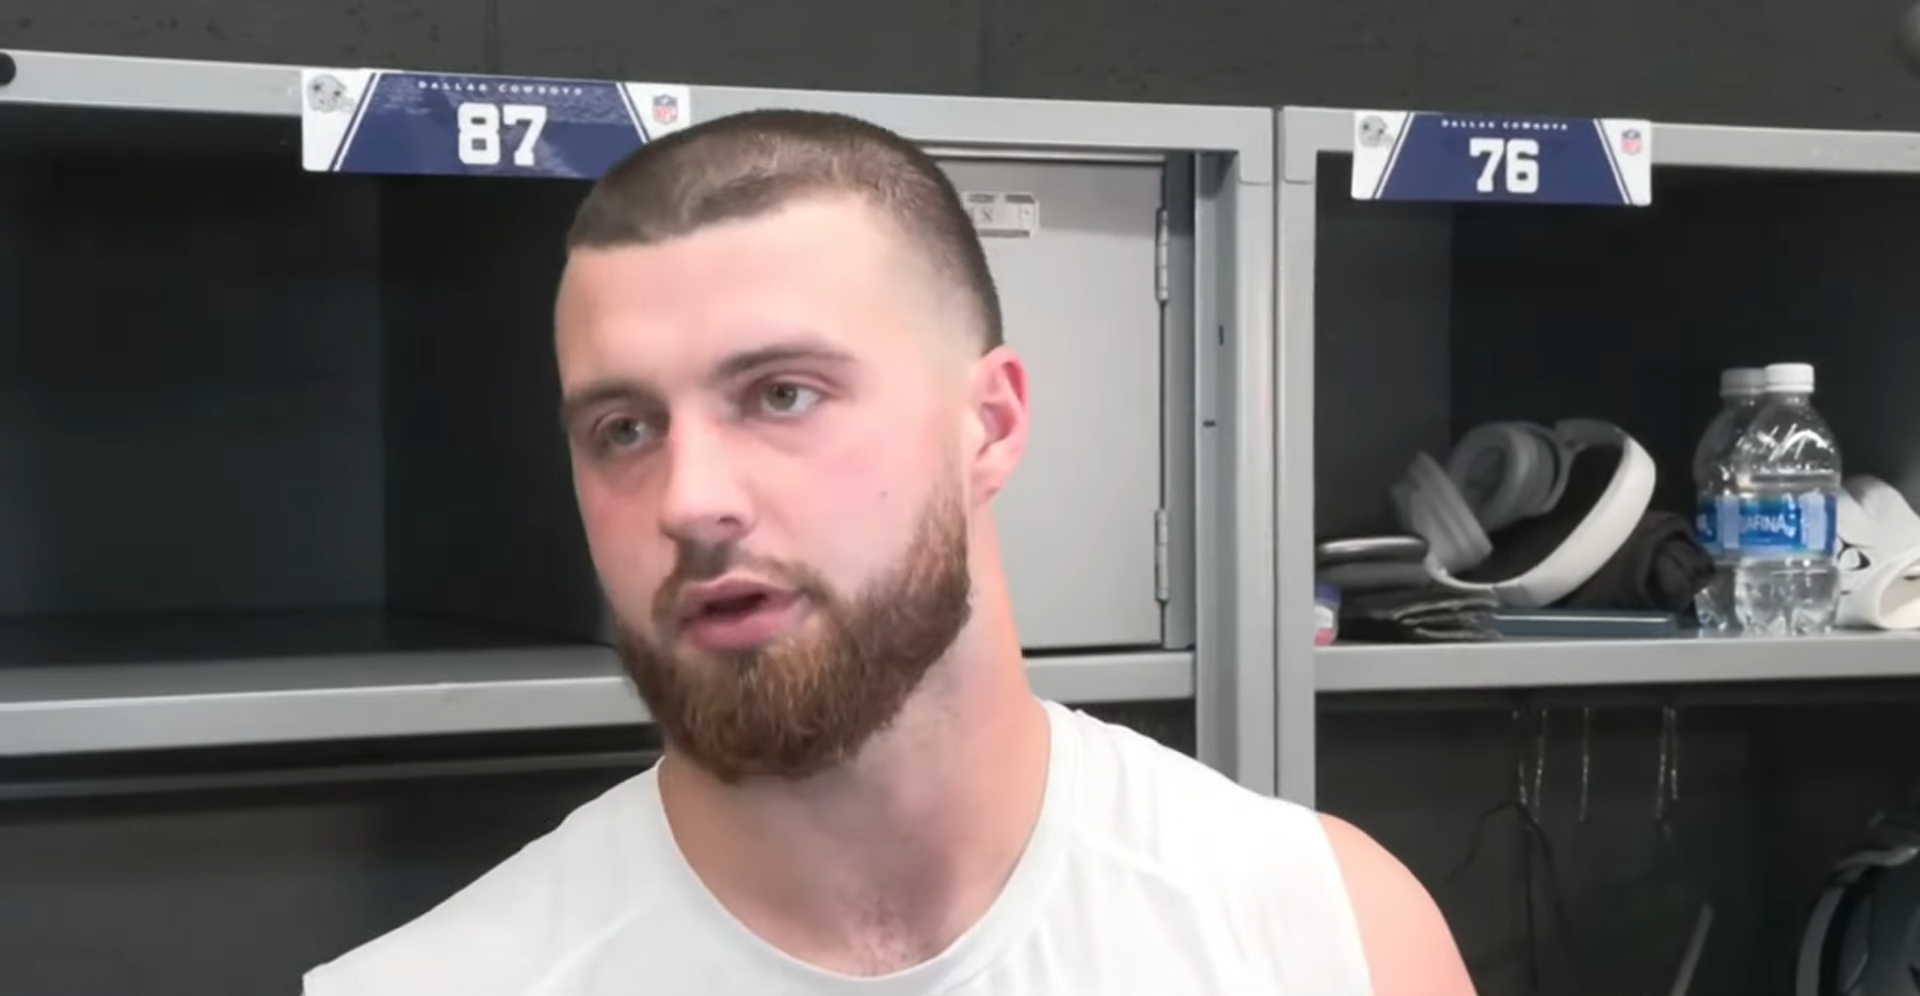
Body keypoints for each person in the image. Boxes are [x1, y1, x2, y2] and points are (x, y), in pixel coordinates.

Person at [302, 108, 1474, 996]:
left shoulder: (1328, 939)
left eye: (782, 394)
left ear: (991, 424)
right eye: (625, 429)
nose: (691, 501)